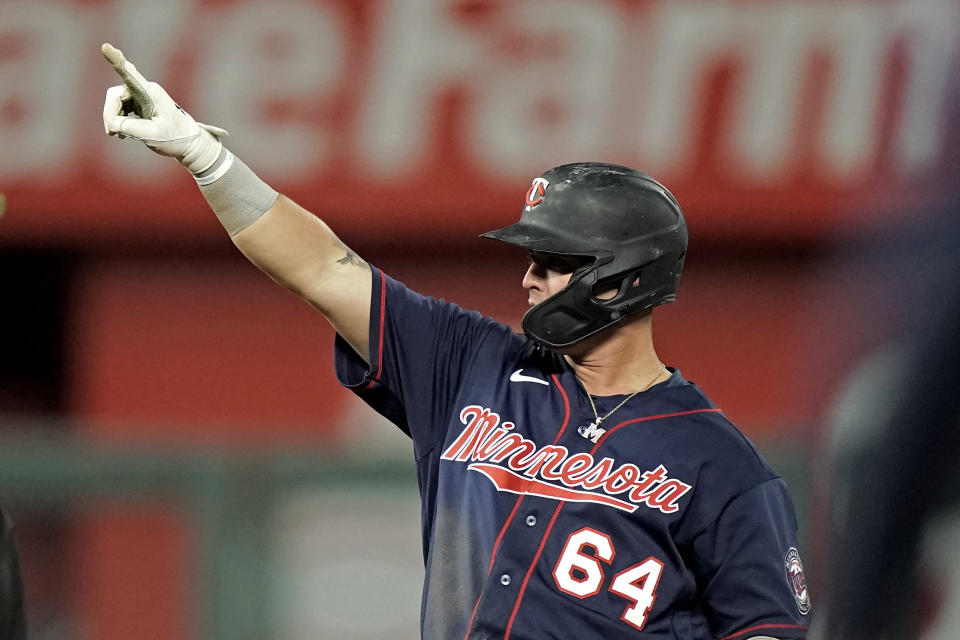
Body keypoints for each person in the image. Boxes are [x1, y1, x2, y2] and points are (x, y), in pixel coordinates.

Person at [101, 43, 810, 640]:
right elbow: (323, 268)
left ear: (621, 279)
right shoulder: (472, 364)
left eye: (552, 262)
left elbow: (767, 628)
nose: (529, 278)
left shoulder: (721, 467)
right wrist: (203, 156)